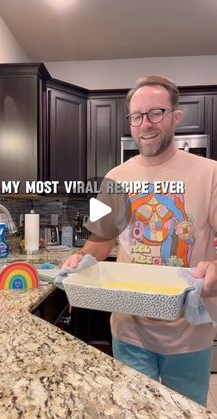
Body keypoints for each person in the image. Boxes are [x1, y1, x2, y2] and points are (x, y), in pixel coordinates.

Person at [62, 75, 217, 406]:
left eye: (155, 113)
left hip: (190, 334)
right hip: (130, 332)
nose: (145, 124)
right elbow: (100, 241)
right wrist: (82, 261)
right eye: (136, 116)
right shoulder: (114, 179)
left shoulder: (211, 174)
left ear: (176, 117)